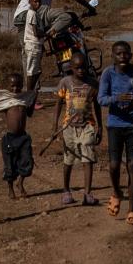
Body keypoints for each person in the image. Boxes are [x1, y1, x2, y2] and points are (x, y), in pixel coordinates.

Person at [96, 40, 133, 223]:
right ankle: (117, 192)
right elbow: (101, 99)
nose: (122, 57)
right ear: (113, 56)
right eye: (118, 54)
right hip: (114, 124)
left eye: (125, 53)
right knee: (113, 165)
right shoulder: (108, 74)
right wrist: (116, 99)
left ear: (131, 55)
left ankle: (132, 210)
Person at [53, 56, 102, 207]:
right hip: (68, 127)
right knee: (68, 160)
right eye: (77, 68)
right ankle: (66, 190)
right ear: (71, 69)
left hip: (88, 125)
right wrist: (55, 126)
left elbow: (97, 105)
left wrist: (100, 126)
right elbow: (58, 103)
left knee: (88, 159)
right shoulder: (65, 82)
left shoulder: (93, 83)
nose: (80, 70)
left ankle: (87, 194)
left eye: (83, 67)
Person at [0, 80, 39, 200]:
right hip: (10, 138)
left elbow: (30, 113)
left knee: (27, 162)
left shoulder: (24, 100)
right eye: (13, 86)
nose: (15, 88)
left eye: (18, 86)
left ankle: (20, 182)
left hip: (23, 137)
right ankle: (10, 189)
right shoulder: (6, 101)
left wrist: (35, 96)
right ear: (8, 87)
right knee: (10, 165)